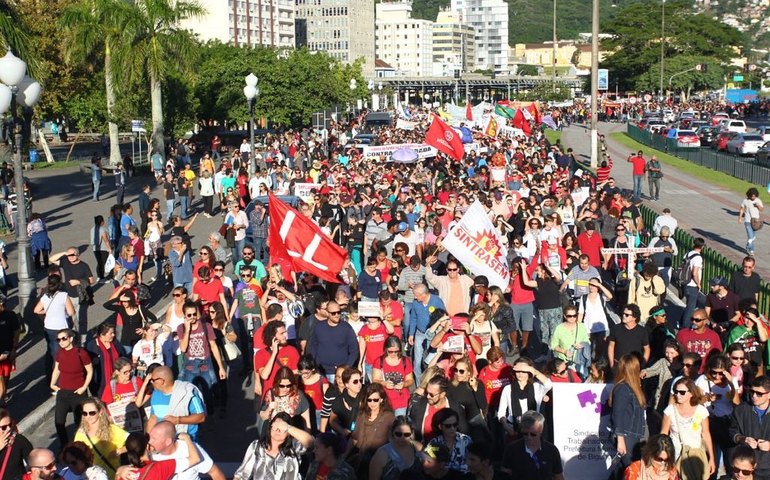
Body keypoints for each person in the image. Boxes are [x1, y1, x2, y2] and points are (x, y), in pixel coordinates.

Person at [661, 378, 716, 479]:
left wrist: (711, 458)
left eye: (682, 392)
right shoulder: (669, 411)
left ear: (691, 393)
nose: (678, 395)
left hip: (696, 456)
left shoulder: (701, 411)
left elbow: (706, 434)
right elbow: (663, 435)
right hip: (675, 456)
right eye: (676, 391)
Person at [233, 412, 314, 480]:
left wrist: (288, 427)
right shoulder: (256, 446)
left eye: (282, 428)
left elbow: (311, 442)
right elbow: (241, 475)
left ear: (289, 433)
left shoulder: (294, 447)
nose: (278, 430)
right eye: (275, 426)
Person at [50, 328, 93, 448]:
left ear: (71, 339)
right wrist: (52, 383)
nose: (61, 342)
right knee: (59, 422)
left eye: (64, 338)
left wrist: (84, 387)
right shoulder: (60, 353)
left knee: (79, 423)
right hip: (63, 392)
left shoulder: (81, 353)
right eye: (58, 339)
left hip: (78, 392)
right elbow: (57, 369)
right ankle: (65, 446)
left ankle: (80, 446)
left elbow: (89, 371)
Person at [139, 366, 206, 441]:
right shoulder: (155, 394)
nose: (151, 382)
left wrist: (178, 420)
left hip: (186, 440)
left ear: (161, 381)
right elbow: (153, 418)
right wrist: (148, 440)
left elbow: (201, 417)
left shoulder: (188, 392)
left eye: (152, 380)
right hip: (163, 443)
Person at [146, 421, 225, 480]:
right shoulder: (148, 455)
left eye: (154, 439)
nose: (149, 442)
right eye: (149, 437)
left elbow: (214, 472)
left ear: (168, 442)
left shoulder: (190, 449)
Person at [609, 354, 647, 477]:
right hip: (626, 435)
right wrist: (620, 439)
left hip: (634, 434)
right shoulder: (623, 388)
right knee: (632, 469)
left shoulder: (634, 387)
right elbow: (617, 414)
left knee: (623, 470)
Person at [497, 357, 552, 438]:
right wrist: (506, 426)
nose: (520, 374)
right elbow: (501, 412)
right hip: (514, 429)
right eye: (518, 371)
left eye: (524, 371)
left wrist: (534, 371)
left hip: (534, 429)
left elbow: (549, 384)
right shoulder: (508, 389)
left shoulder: (537, 387)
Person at [500, 411, 563, 480]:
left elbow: (558, 476)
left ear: (541, 430)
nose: (529, 437)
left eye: (533, 434)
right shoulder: (511, 449)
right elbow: (504, 474)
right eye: (525, 434)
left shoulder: (551, 450)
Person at [73, 398, 128, 477]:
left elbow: (136, 443)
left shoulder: (111, 429)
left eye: (92, 413)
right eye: (85, 413)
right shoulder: (81, 433)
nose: (88, 416)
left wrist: (119, 450)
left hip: (113, 476)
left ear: (100, 412)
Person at [347, 383, 396, 473]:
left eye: (375, 400)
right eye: (369, 400)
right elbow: (354, 438)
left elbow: (393, 442)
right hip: (359, 461)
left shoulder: (389, 417)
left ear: (381, 399)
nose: (372, 403)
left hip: (378, 462)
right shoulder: (362, 415)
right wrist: (344, 456)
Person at [49, 247, 95, 337]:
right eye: (69, 255)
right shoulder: (65, 262)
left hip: (81, 296)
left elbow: (91, 280)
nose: (71, 257)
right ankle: (73, 338)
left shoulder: (84, 266)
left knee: (82, 320)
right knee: (70, 319)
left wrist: (78, 282)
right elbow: (51, 259)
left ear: (78, 255)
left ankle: (82, 341)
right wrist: (64, 252)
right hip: (69, 296)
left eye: (73, 255)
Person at [119, 430, 201, 480]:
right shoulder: (161, 467)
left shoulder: (125, 473)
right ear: (148, 446)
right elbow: (195, 459)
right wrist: (187, 438)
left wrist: (119, 470)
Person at [308, 300, 359, 379]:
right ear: (328, 313)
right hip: (321, 372)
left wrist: (346, 368)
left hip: (340, 373)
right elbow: (312, 347)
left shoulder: (346, 328)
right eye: (333, 313)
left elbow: (354, 350)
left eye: (339, 312)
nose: (337, 315)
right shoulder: (319, 327)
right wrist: (313, 365)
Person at [373, 336, 414, 417]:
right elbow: (375, 380)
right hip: (385, 400)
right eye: (390, 351)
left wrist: (404, 384)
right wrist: (384, 383)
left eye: (396, 351)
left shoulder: (405, 361)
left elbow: (410, 380)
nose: (394, 354)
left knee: (399, 425)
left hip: (402, 400)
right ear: (385, 349)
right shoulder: (379, 361)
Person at [85, 322, 126, 398]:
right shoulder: (92, 345)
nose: (113, 335)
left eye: (113, 333)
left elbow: (123, 357)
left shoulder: (115, 343)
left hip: (116, 379)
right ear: (102, 334)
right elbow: (88, 363)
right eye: (111, 333)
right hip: (100, 382)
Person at [427, 408, 473, 474]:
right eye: (448, 426)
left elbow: (473, 463)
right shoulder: (434, 443)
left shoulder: (466, 440)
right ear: (440, 426)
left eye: (455, 425)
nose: (452, 428)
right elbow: (429, 466)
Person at [608, 304, 650, 368]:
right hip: (618, 364)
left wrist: (643, 364)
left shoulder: (642, 331)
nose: (623, 316)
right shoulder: (616, 328)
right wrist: (612, 363)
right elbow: (611, 346)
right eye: (623, 314)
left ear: (634, 317)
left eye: (627, 315)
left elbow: (647, 349)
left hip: (634, 366)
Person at [0, 409, 34, 480]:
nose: (8, 429)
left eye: (10, 425)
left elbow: (34, 461)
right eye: (4, 427)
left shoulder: (18, 440)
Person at [681, 238, 705, 330]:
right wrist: (698, 283)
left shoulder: (687, 254)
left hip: (685, 284)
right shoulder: (698, 258)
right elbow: (695, 273)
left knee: (692, 304)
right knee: (691, 307)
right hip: (692, 285)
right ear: (702, 247)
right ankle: (685, 326)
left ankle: (682, 321)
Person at [738, 187, 764, 256]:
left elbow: (762, 209)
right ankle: (751, 250)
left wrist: (757, 205)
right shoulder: (745, 201)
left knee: (753, 237)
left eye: (754, 196)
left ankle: (747, 246)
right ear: (749, 195)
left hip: (755, 221)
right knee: (750, 236)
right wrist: (740, 218)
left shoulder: (758, 200)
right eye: (752, 196)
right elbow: (741, 209)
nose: (753, 197)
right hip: (747, 221)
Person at [91, 216, 112, 282]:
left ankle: (99, 276)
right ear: (102, 222)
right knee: (102, 263)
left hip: (95, 249)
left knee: (99, 263)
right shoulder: (103, 229)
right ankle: (101, 278)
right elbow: (105, 239)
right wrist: (109, 248)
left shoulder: (92, 229)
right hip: (103, 248)